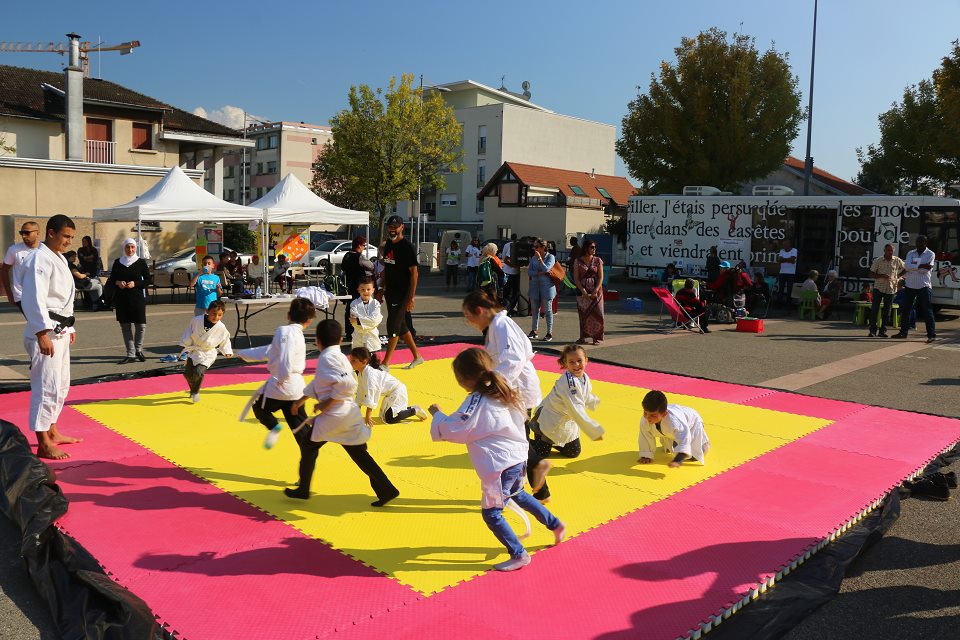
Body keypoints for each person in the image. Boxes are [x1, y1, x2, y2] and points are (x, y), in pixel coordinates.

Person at [428, 347, 565, 572]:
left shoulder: (477, 401)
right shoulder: (502, 389)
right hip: (517, 458)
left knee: (491, 513)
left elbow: (457, 429)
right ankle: (555, 524)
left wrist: (438, 414)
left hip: (499, 466)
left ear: (463, 379)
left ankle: (519, 554)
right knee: (518, 494)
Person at [287, 319, 399, 507]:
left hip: (336, 415)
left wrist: (326, 403)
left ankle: (303, 489)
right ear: (340, 340)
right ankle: (386, 489)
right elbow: (320, 383)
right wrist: (302, 400)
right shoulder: (337, 357)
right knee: (359, 454)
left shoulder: (328, 358)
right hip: (346, 415)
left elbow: (347, 384)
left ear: (318, 341)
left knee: (308, 445)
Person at [462, 290, 553, 501]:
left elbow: (513, 360)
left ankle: (536, 470)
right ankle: (537, 488)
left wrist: (494, 386)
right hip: (511, 388)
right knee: (518, 437)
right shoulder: (495, 327)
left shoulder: (502, 325)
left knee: (516, 439)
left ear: (479, 311)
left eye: (468, 316)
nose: (468, 322)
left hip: (515, 388)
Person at [20, 214, 82, 459]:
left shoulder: (58, 258)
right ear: (51, 232)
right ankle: (43, 440)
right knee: (45, 386)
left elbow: (63, 298)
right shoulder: (39, 259)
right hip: (45, 332)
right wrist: (41, 333)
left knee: (60, 385)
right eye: (65, 236)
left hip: (60, 329)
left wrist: (71, 326)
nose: (68, 241)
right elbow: (33, 298)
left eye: (71, 237)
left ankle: (53, 430)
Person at [246, 298, 316, 450]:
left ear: (288, 315)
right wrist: (242, 354)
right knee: (300, 431)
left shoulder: (284, 331)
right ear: (310, 321)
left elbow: (285, 358)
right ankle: (309, 453)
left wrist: (281, 378)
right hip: (296, 389)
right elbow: (271, 351)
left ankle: (273, 426)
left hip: (281, 385)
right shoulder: (298, 335)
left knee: (260, 409)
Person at [529, 344, 604, 459]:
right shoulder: (569, 383)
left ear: (586, 361)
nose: (576, 365)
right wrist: (593, 430)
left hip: (567, 421)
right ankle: (522, 442)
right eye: (571, 362)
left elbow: (584, 395)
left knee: (573, 452)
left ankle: (551, 442)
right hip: (551, 419)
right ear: (565, 363)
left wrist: (593, 401)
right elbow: (576, 407)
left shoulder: (584, 377)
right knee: (541, 453)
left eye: (579, 360)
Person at [380, 215, 424, 370]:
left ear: (402, 227)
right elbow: (386, 268)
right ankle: (417, 356)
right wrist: (381, 288)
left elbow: (414, 273)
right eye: (390, 227)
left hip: (403, 292)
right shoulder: (388, 246)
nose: (392, 229)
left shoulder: (407, 247)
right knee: (402, 325)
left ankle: (385, 363)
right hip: (390, 291)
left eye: (395, 227)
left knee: (392, 324)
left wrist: (411, 297)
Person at [348, 346, 428, 426]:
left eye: (353, 361)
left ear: (364, 361)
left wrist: (368, 416)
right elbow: (360, 393)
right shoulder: (362, 373)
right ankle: (409, 409)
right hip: (391, 393)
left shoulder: (370, 375)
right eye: (350, 360)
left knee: (390, 419)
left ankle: (415, 410)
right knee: (387, 416)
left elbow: (372, 394)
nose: (350, 363)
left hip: (397, 391)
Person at [638, 390, 710, 468]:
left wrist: (678, 460)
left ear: (664, 414)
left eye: (653, 415)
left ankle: (705, 444)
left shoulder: (675, 422)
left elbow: (684, 439)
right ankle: (671, 442)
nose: (648, 418)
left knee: (693, 456)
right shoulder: (646, 419)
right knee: (670, 441)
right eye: (645, 413)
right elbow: (645, 436)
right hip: (673, 418)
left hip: (692, 422)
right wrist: (646, 455)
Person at [179, 299, 233, 403]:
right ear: (207, 311)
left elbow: (225, 339)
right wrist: (184, 345)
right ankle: (193, 389)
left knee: (198, 372)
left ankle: (195, 392)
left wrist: (227, 350)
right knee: (188, 374)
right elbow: (189, 331)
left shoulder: (221, 327)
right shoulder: (197, 320)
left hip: (208, 353)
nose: (216, 317)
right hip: (194, 350)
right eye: (214, 314)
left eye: (219, 315)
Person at [108, 238, 150, 364]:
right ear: (124, 248)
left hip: (137, 298)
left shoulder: (141, 262)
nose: (130, 250)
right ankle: (130, 354)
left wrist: (135, 283)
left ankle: (138, 350)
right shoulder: (118, 262)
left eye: (132, 247)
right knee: (125, 327)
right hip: (122, 299)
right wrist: (118, 282)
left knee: (141, 326)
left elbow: (148, 280)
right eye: (127, 247)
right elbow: (111, 280)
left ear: (136, 248)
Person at [892, 235, 937, 343]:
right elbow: (907, 266)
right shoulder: (910, 253)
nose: (918, 244)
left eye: (920, 242)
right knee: (905, 310)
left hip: (924, 286)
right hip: (910, 285)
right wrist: (920, 266)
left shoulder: (930, 254)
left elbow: (926, 269)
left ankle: (931, 335)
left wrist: (913, 266)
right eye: (917, 242)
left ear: (925, 243)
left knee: (927, 311)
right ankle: (903, 332)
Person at [341, 236, 375, 342]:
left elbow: (343, 268)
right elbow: (371, 266)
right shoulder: (360, 257)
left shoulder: (346, 255)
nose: (364, 247)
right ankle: (358, 331)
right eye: (364, 245)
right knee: (361, 310)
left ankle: (349, 332)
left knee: (349, 309)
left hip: (349, 286)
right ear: (359, 245)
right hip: (360, 287)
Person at [868, 243, 905, 338]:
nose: (890, 252)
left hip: (891, 288)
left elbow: (906, 268)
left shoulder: (897, 260)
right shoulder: (878, 260)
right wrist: (881, 276)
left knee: (887, 311)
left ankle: (882, 331)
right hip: (878, 288)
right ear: (884, 251)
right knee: (875, 309)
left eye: (891, 251)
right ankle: (872, 330)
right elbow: (871, 274)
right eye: (888, 250)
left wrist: (898, 276)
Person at [2, 220, 40, 309]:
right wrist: (9, 294)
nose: (23, 236)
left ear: (37, 233)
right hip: (21, 296)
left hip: (41, 295)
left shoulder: (44, 249)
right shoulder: (14, 250)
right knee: (37, 321)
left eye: (27, 233)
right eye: (21, 233)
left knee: (44, 322)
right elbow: (4, 271)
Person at [573, 239, 605, 344]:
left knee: (597, 314)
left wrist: (596, 290)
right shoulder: (578, 261)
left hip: (596, 291)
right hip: (583, 291)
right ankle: (582, 337)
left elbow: (600, 277)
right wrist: (583, 290)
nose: (594, 249)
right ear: (586, 248)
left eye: (595, 247)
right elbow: (576, 278)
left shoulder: (598, 260)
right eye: (592, 247)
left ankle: (596, 337)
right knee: (583, 314)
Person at [527, 238, 557, 342]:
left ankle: (549, 333)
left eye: (537, 247)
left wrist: (540, 259)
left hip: (547, 286)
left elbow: (546, 269)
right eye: (534, 247)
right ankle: (534, 331)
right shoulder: (533, 258)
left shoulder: (550, 257)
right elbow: (529, 272)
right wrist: (538, 273)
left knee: (548, 310)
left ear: (543, 247)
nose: (534, 249)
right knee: (535, 309)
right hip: (534, 285)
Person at [349, 276, 382, 353]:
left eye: (368, 289)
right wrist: (367, 320)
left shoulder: (376, 304)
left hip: (372, 337)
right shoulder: (354, 304)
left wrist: (358, 320)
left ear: (373, 290)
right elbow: (353, 322)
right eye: (362, 289)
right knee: (358, 361)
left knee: (374, 361)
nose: (365, 292)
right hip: (358, 337)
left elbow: (375, 320)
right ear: (358, 290)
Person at [501, 233, 519, 315]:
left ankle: (507, 308)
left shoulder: (506, 245)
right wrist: (514, 266)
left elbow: (503, 256)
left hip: (507, 270)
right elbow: (505, 259)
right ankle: (509, 308)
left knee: (507, 291)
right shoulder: (513, 246)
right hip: (511, 272)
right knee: (512, 291)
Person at [776, 239, 798, 305]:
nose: (784, 246)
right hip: (782, 272)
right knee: (781, 289)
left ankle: (788, 304)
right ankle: (779, 303)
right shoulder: (782, 251)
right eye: (783, 245)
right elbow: (779, 260)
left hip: (791, 273)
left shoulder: (794, 250)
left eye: (785, 244)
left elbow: (793, 259)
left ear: (789, 244)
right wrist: (788, 260)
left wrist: (783, 259)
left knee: (789, 289)